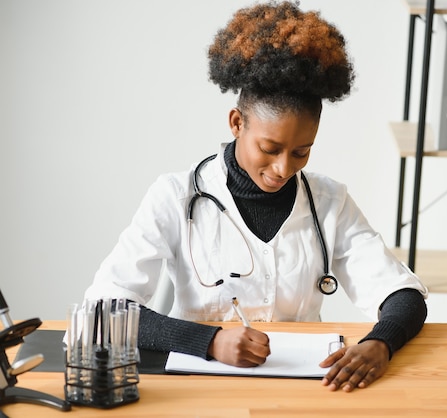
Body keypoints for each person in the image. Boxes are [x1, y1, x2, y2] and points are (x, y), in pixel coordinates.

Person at [84, 0, 428, 392]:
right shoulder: (175, 196)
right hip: (197, 386)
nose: (283, 168)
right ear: (236, 123)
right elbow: (105, 307)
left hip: (304, 391)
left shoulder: (330, 201)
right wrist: (208, 340)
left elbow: (404, 295)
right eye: (269, 148)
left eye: (302, 152)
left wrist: (380, 343)